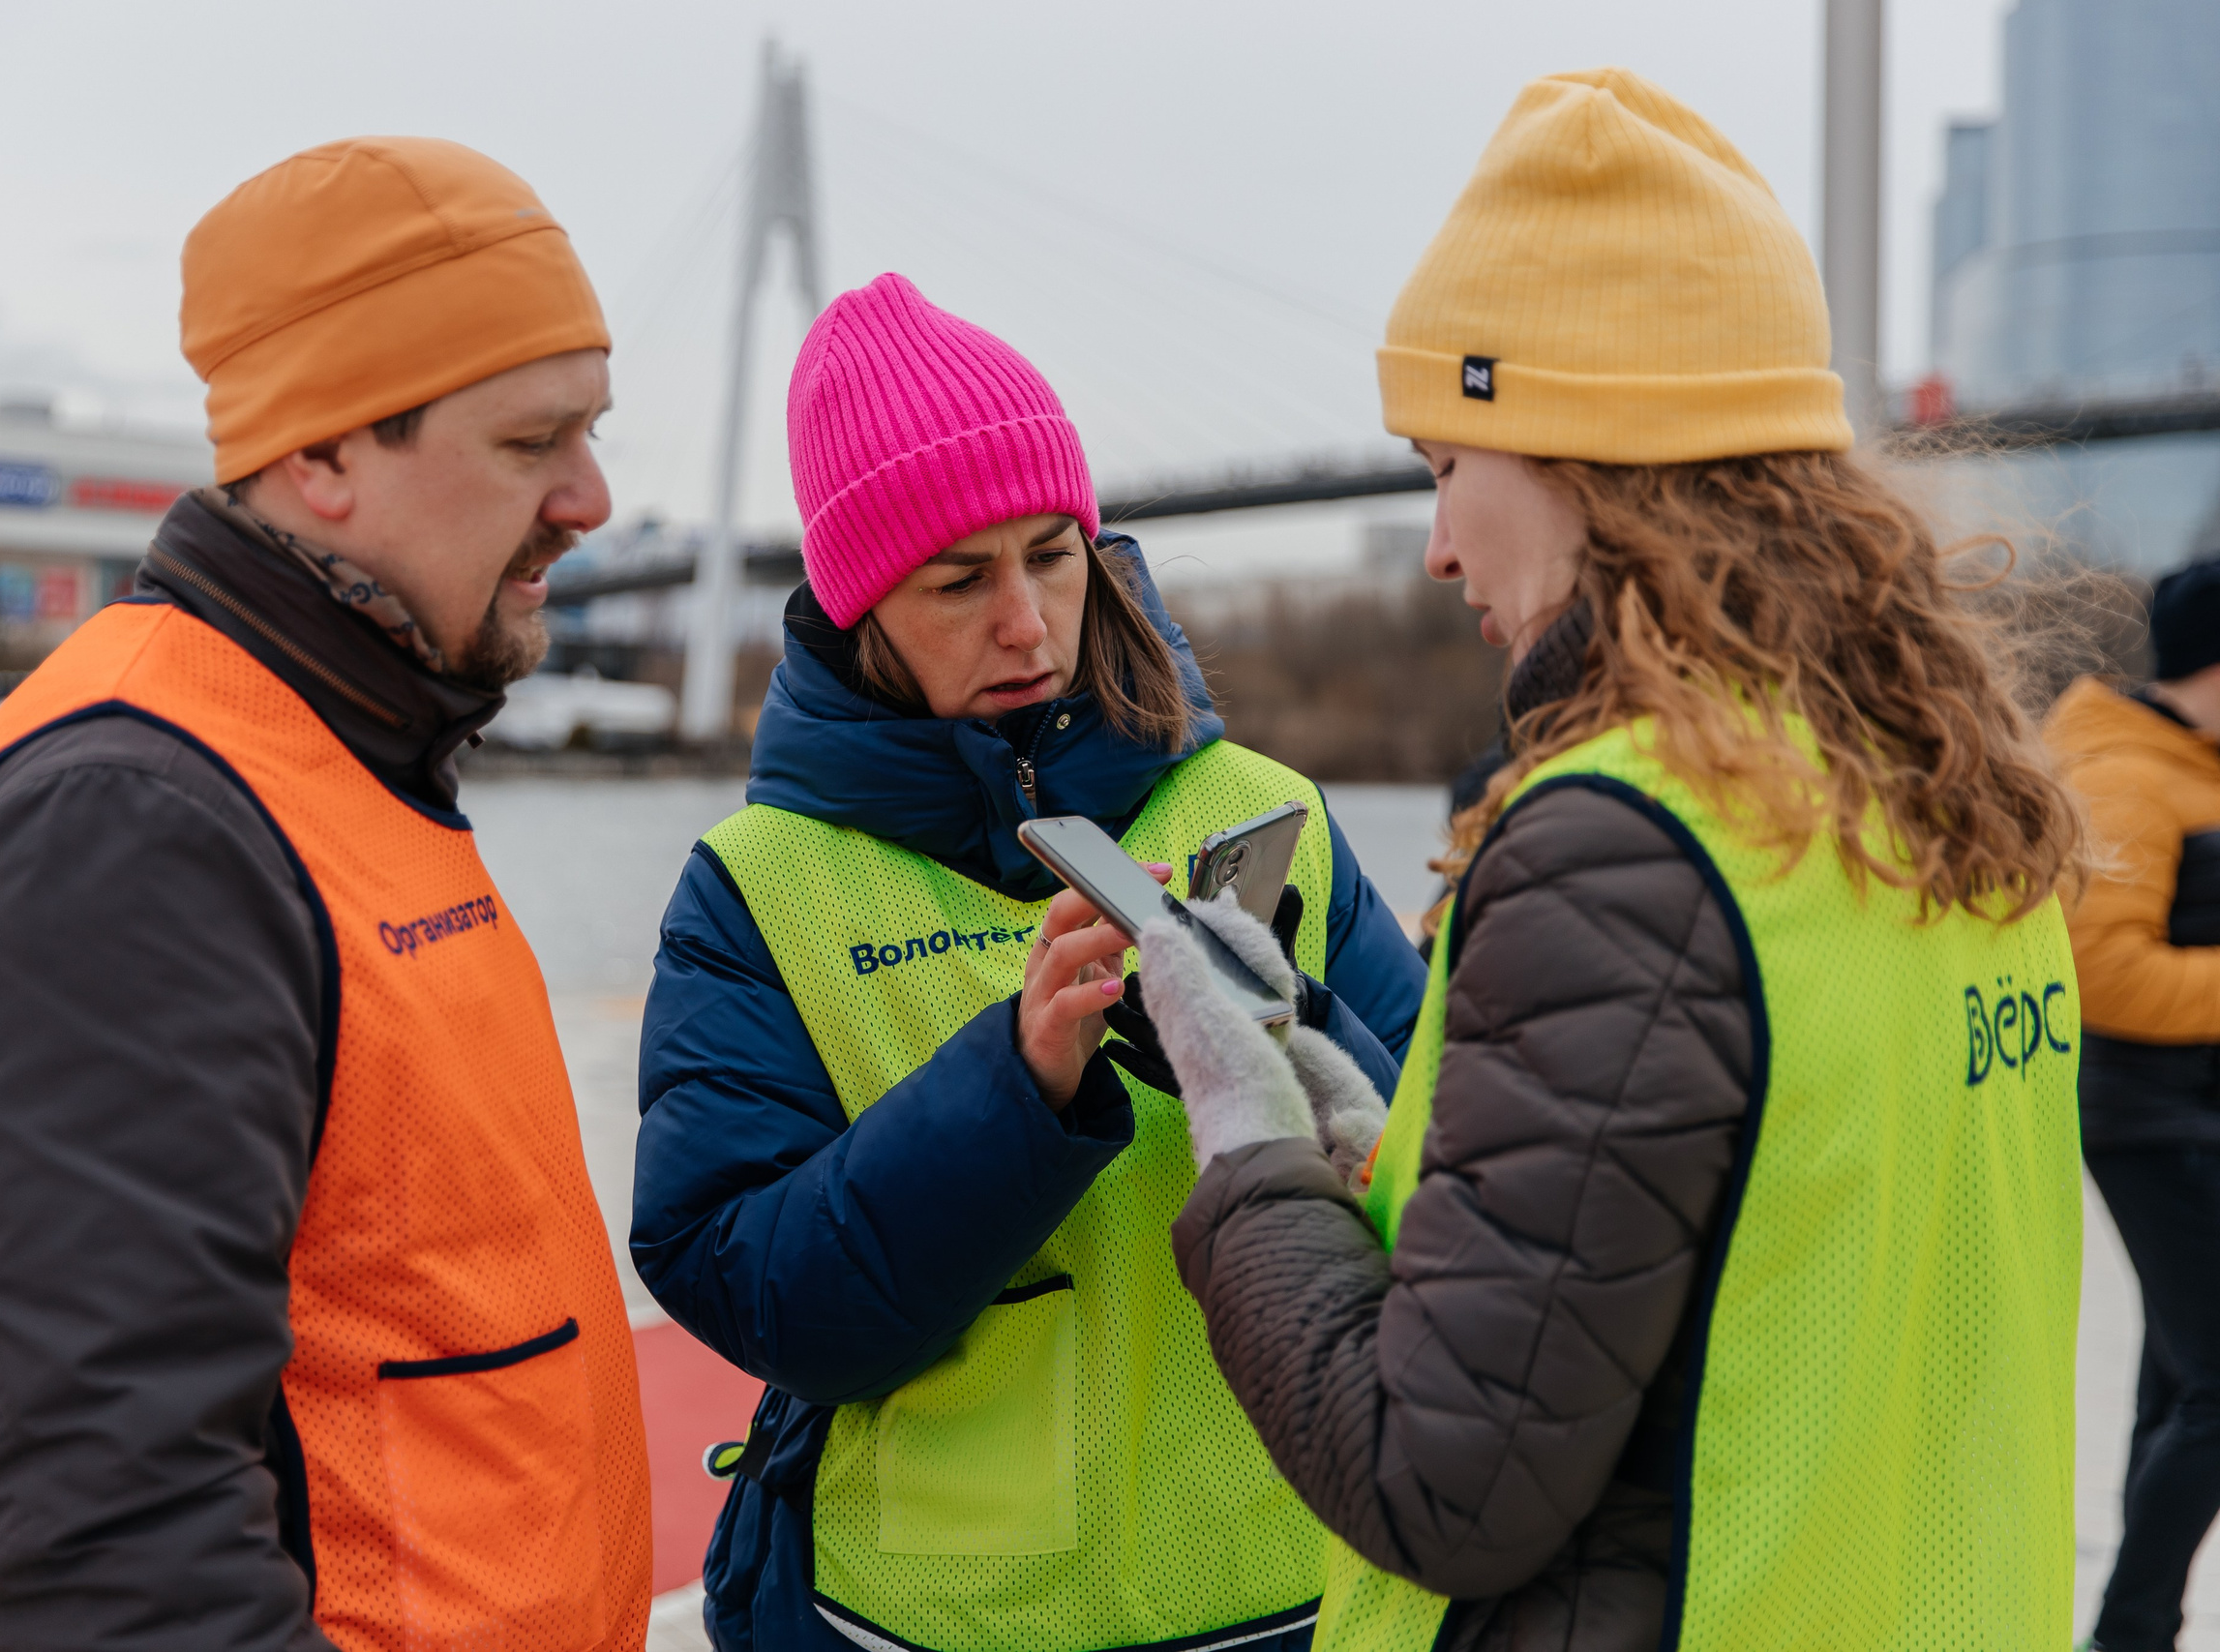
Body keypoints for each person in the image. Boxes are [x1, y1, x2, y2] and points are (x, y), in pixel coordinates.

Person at [1136, 69, 2089, 1652]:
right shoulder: (1949, 802)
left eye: (1447, 466)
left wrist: (1247, 1152)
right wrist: (1384, 1144)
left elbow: (1439, 1480)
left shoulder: (1622, 843)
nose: (1439, 545)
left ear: (1582, 452)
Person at [0, 137, 650, 1651]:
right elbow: (102, 1548)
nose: (593, 498)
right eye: (532, 441)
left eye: (591, 431)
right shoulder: (126, 824)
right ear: (324, 456)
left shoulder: (349, 752)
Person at [630, 272, 1428, 1652]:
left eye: (1053, 555)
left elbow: (1448, 1181)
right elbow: (754, 1292)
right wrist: (1018, 1086)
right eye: (960, 580)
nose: (1027, 622)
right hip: (920, 1624)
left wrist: (1283, 1023)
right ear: (862, 610)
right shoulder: (756, 886)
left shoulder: (1270, 808)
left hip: (1294, 1597)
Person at [2048, 557, 2220, 1652]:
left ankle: (2136, 1632)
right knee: (2215, 1391)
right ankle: (2131, 1631)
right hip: (2146, 1120)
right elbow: (2099, 970)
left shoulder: (2194, 768)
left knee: (2181, 1390)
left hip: (2196, 1115)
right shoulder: (2122, 774)